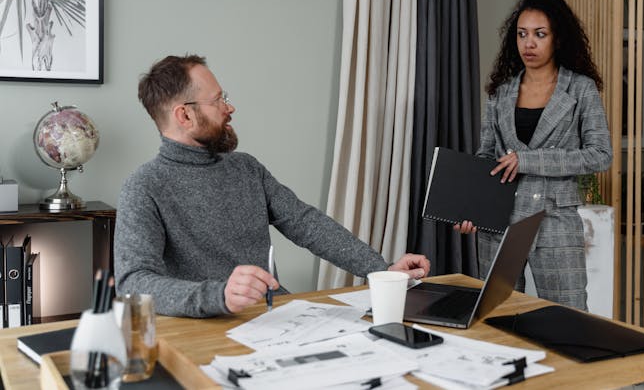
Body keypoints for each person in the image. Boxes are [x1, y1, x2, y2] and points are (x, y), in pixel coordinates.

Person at [114, 55, 430, 318]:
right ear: (184, 115)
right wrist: (219, 295)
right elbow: (134, 282)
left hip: (274, 317)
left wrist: (381, 269)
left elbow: (306, 223)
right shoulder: (144, 187)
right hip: (205, 328)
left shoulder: (246, 168)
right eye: (218, 101)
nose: (229, 108)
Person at [455, 0, 612, 311]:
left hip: (554, 219)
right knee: (499, 318)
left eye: (540, 35)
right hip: (498, 222)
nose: (529, 43)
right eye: (522, 34)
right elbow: (486, 157)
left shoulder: (580, 89)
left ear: (558, 38)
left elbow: (600, 154)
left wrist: (529, 160)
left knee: (567, 318)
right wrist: (471, 208)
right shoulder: (501, 91)